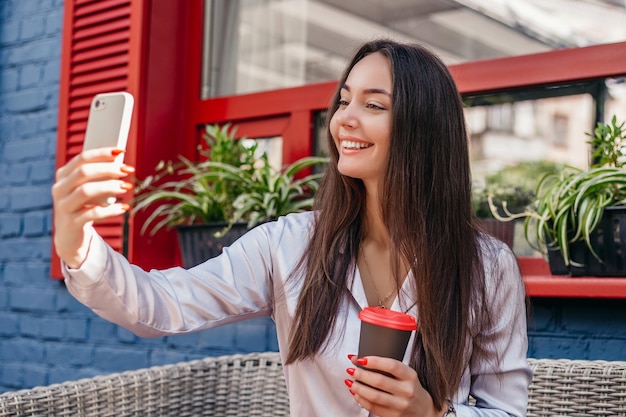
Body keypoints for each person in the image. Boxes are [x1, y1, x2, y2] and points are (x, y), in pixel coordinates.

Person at [52, 39, 531, 417]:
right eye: (344, 102)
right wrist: (77, 244)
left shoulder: (487, 268)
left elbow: (506, 410)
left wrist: (432, 414)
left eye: (374, 106)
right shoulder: (288, 245)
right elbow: (161, 306)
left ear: (424, 128)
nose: (345, 119)